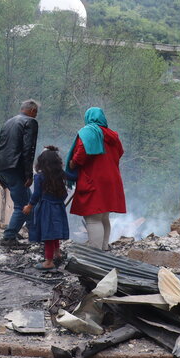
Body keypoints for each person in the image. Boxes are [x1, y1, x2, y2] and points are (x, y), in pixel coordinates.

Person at [67, 106, 125, 250]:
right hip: (112, 179)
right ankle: (104, 247)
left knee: (93, 218)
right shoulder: (113, 135)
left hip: (94, 178)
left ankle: (95, 251)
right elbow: (120, 152)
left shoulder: (88, 132)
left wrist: (73, 162)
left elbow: (82, 152)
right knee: (104, 216)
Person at [0, 99, 39, 245]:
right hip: (16, 168)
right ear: (32, 111)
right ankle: (9, 237)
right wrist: (29, 174)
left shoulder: (8, 122)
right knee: (23, 205)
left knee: (30, 202)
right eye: (36, 112)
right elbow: (28, 149)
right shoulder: (30, 122)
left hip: (3, 167)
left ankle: (34, 234)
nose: (36, 116)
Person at [23, 145, 71, 270]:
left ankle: (49, 262)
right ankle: (57, 253)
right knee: (54, 232)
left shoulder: (39, 176)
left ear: (41, 163)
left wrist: (29, 205)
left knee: (49, 234)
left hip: (46, 209)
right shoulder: (61, 174)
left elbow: (37, 193)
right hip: (59, 208)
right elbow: (73, 178)